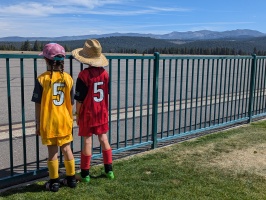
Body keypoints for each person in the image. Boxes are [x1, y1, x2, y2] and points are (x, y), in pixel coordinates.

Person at [31, 43, 77, 192]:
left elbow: (38, 104)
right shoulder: (68, 78)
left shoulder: (42, 79)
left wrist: (38, 123)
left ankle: (54, 182)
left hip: (49, 122)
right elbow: (71, 102)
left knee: (52, 153)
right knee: (67, 149)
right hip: (64, 121)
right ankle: (71, 179)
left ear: (46, 60)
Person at [72, 39, 114, 183]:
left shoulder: (83, 76)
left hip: (88, 114)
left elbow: (79, 99)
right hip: (101, 112)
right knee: (104, 139)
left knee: (87, 141)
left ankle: (85, 174)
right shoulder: (105, 74)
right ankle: (109, 171)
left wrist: (77, 114)